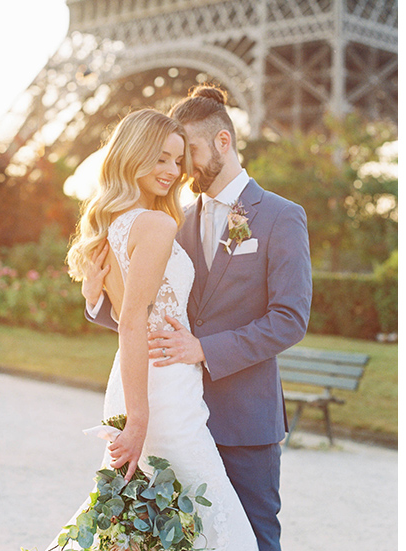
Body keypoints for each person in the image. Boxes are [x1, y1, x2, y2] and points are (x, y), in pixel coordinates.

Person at [84, 85, 312, 551]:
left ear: (222, 143)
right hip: (177, 411)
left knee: (253, 537)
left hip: (245, 417)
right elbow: (148, 315)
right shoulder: (173, 218)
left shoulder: (281, 217)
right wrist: (96, 303)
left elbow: (290, 318)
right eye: (168, 156)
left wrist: (204, 349)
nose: (178, 166)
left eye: (186, 152)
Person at [61, 108, 258, 549]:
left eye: (177, 160)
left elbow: (122, 316)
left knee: (139, 514)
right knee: (210, 515)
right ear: (132, 156)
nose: (172, 171)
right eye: (161, 159)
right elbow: (131, 322)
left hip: (140, 381)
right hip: (161, 391)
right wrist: (139, 419)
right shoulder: (155, 224)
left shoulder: (114, 224)